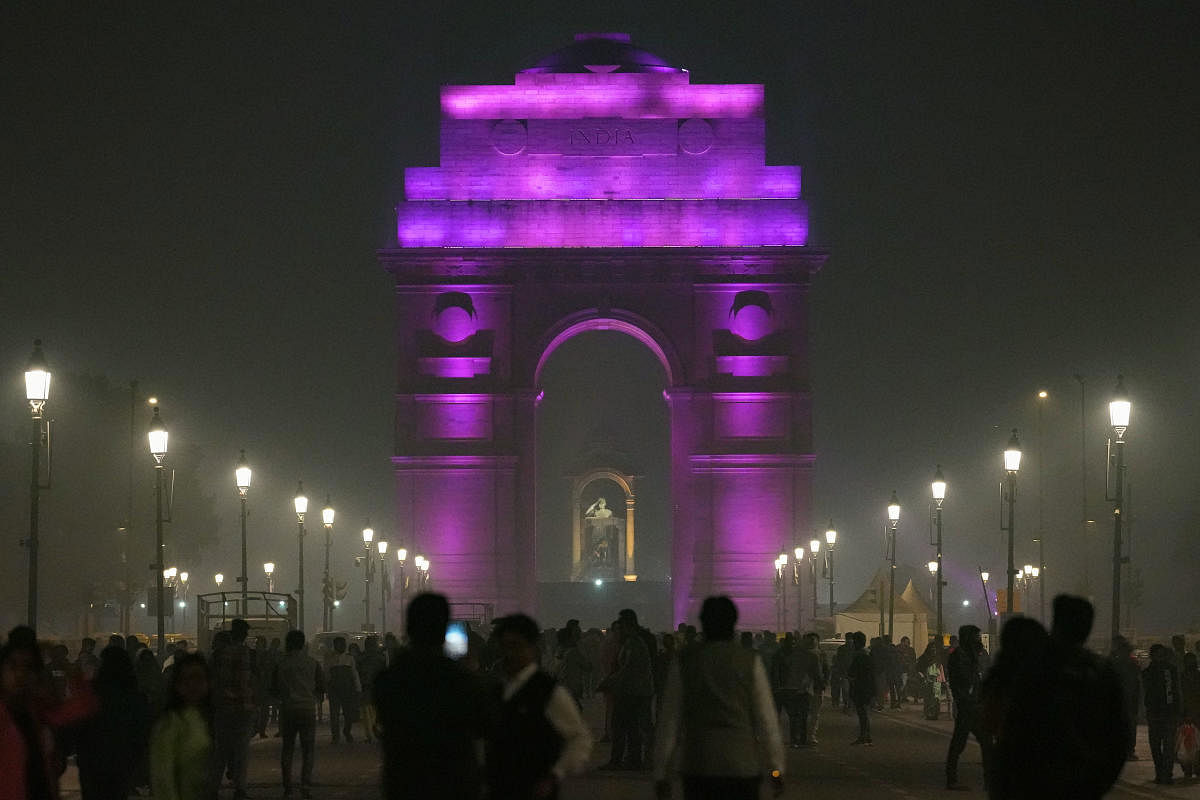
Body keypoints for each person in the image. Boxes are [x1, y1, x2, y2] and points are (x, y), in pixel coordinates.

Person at [994, 595, 1129, 799]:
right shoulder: (1102, 672)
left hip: (1036, 780)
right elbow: (1119, 735)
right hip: (1083, 780)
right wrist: (1099, 782)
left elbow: (1013, 730)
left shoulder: (1035, 668)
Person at [653, 596, 784, 800]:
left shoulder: (685, 660)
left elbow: (670, 720)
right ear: (733, 623)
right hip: (742, 766)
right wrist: (776, 769)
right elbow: (766, 721)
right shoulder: (749, 661)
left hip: (699, 764)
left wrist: (661, 773)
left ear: (703, 622)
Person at [374, 592, 492, 800]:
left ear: (409, 627)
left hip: (405, 782)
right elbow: (484, 725)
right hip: (454, 781)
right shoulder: (462, 679)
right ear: (443, 629)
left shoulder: (388, 679)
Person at [488, 613, 593, 800]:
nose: (509, 654)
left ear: (533, 648)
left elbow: (579, 738)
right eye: (505, 647)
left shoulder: (549, 692)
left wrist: (555, 774)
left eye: (516, 646)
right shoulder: (497, 690)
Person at [0, 626, 97, 800]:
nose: (20, 674)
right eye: (13, 666)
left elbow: (85, 706)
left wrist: (62, 661)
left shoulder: (38, 712)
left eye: (28, 668)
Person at [76, 645, 150, 800]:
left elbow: (79, 727)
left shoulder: (92, 694)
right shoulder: (135, 697)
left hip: (93, 762)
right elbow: (142, 732)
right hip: (122, 761)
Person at [150, 652, 213, 800]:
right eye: (188, 679)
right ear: (177, 684)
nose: (194, 684)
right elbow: (162, 778)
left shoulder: (198, 717)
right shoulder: (170, 724)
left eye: (199, 678)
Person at [600, 613, 654, 770]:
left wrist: (608, 682)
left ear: (627, 627)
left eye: (621, 628)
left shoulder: (633, 644)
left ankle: (618, 760)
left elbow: (627, 669)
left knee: (620, 726)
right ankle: (633, 759)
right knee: (631, 728)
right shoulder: (635, 643)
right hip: (634, 691)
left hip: (631, 692)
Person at [274, 630, 324, 798]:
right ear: (303, 644)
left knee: (287, 748)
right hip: (307, 709)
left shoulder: (282, 664)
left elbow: (274, 688)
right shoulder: (312, 663)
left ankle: (288, 787)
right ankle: (305, 785)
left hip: (288, 709)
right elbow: (321, 686)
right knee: (308, 749)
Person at [209, 618, 256, 800]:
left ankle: (213, 788)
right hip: (243, 706)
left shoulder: (218, 655)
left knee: (220, 751)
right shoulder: (248, 654)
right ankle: (240, 789)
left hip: (222, 707)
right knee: (241, 751)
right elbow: (254, 679)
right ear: (243, 634)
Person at [944, 625, 993, 791]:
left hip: (974, 706)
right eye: (976, 637)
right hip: (967, 706)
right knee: (960, 744)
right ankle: (952, 779)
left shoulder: (971, 655)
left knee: (983, 743)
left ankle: (988, 780)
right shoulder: (959, 657)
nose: (978, 640)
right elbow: (965, 681)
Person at [1143, 643, 1181, 785]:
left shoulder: (1150, 672)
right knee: (1164, 745)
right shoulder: (1169, 670)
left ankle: (1163, 774)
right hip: (1163, 712)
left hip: (1160, 713)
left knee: (1160, 745)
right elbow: (1176, 692)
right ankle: (1164, 774)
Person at [325, 636, 361, 742]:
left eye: (343, 644)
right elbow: (327, 674)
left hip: (347, 689)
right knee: (334, 714)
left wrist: (358, 688)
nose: (342, 646)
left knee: (348, 713)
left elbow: (354, 674)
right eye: (340, 644)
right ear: (335, 645)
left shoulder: (349, 658)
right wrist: (327, 688)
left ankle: (347, 731)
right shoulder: (329, 658)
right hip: (334, 689)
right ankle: (336, 735)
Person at [1110, 636, 1141, 761]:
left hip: (1123, 701)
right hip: (1125, 701)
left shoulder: (1118, 664)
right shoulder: (1131, 665)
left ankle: (1125, 750)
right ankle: (1128, 750)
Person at [358, 635, 387, 744]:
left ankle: (371, 734)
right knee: (372, 712)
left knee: (368, 713)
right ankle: (373, 733)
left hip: (369, 687)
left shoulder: (363, 658)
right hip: (371, 688)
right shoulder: (381, 657)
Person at [847, 631, 874, 745]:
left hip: (860, 687)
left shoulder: (859, 655)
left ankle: (864, 735)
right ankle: (866, 735)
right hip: (867, 687)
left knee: (862, 712)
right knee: (864, 712)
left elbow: (852, 672)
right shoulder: (867, 654)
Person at [802, 633, 828, 745]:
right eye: (809, 640)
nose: (811, 642)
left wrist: (824, 682)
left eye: (813, 640)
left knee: (815, 713)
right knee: (804, 713)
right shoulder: (801, 654)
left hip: (816, 687)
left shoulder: (821, 654)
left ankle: (811, 735)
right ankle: (805, 735)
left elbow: (826, 670)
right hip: (803, 687)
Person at [1179, 652, 1200, 777]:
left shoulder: (1182, 676)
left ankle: (1188, 767)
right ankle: (1194, 766)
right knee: (1193, 741)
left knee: (1189, 741)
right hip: (1192, 712)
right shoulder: (1192, 676)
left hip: (1189, 712)